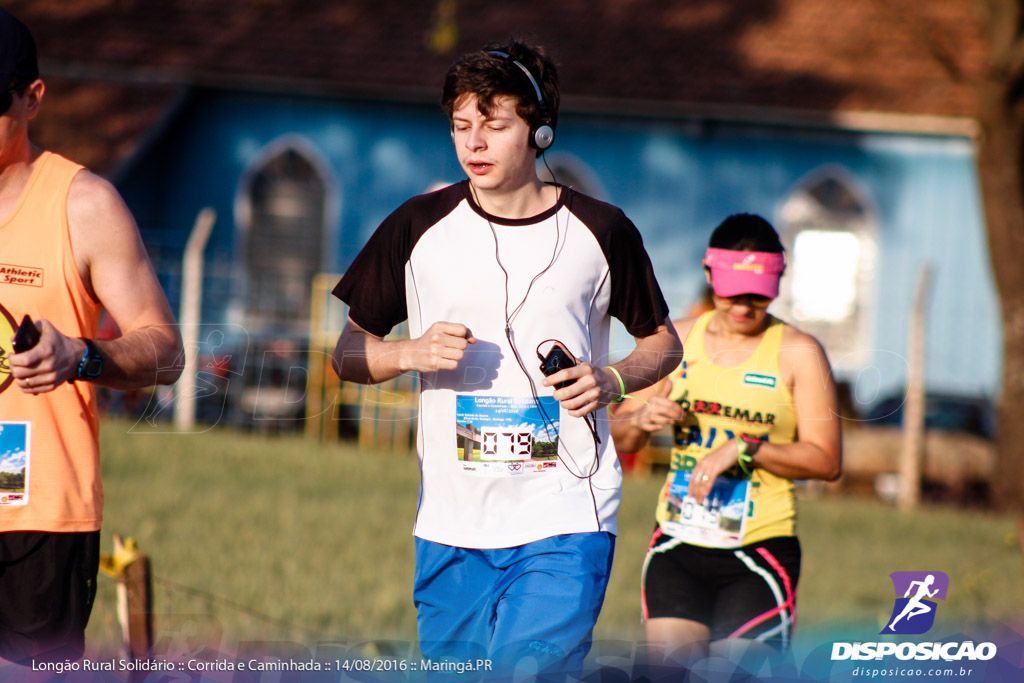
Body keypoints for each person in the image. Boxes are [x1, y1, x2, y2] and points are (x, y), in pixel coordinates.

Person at [332, 38, 681, 680]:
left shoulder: (603, 231)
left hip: (567, 512)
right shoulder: (416, 226)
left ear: (540, 130)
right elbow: (348, 352)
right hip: (451, 518)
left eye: (495, 126)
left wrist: (610, 379)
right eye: (462, 127)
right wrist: (409, 351)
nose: (474, 144)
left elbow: (663, 345)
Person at [0, 8, 183, 665]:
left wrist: (79, 355)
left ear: (32, 98)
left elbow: (165, 347)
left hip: (38, 518)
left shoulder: (84, 205)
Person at [610, 213, 841, 676]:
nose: (742, 304)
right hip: (677, 544)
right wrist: (643, 417)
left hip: (758, 552)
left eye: (757, 293)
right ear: (709, 274)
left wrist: (747, 447)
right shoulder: (675, 341)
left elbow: (826, 459)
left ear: (778, 282)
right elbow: (618, 433)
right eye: (731, 290)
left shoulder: (799, 352)